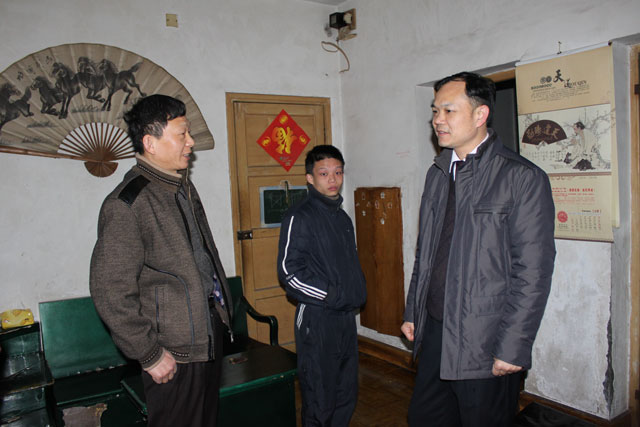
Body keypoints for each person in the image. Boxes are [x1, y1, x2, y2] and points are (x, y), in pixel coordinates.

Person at [401, 72, 556, 426]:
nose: (438, 120)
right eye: (435, 110)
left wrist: (513, 346)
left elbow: (533, 272)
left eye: (449, 110)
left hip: (484, 338)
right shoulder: (438, 173)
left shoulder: (521, 178)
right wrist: (414, 311)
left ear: (480, 114)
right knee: (425, 418)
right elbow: (426, 255)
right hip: (436, 330)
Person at [90, 94, 232, 427]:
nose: (191, 142)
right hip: (173, 350)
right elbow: (110, 291)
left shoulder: (181, 188)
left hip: (204, 334)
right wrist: (149, 354)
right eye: (182, 134)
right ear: (150, 143)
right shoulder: (128, 203)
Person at [277, 145, 367, 426]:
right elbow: (289, 272)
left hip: (345, 318)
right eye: (324, 173)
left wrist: (354, 293)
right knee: (319, 397)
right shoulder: (300, 216)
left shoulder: (342, 218)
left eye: (338, 172)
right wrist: (332, 295)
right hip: (317, 319)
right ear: (310, 178)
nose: (333, 179)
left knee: (345, 394)